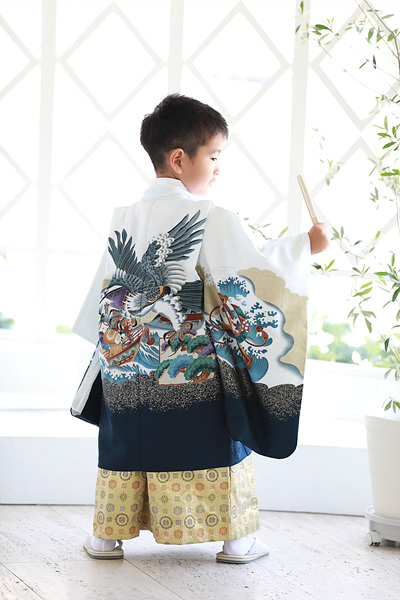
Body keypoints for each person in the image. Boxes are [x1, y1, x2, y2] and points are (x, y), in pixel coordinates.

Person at [72, 94, 330, 564]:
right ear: (179, 158)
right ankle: (236, 541)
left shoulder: (124, 217)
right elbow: (251, 269)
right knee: (217, 433)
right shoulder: (209, 216)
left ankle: (106, 537)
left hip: (126, 360)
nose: (217, 168)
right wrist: (305, 246)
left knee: (123, 440)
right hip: (189, 359)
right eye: (213, 156)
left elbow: (106, 291)